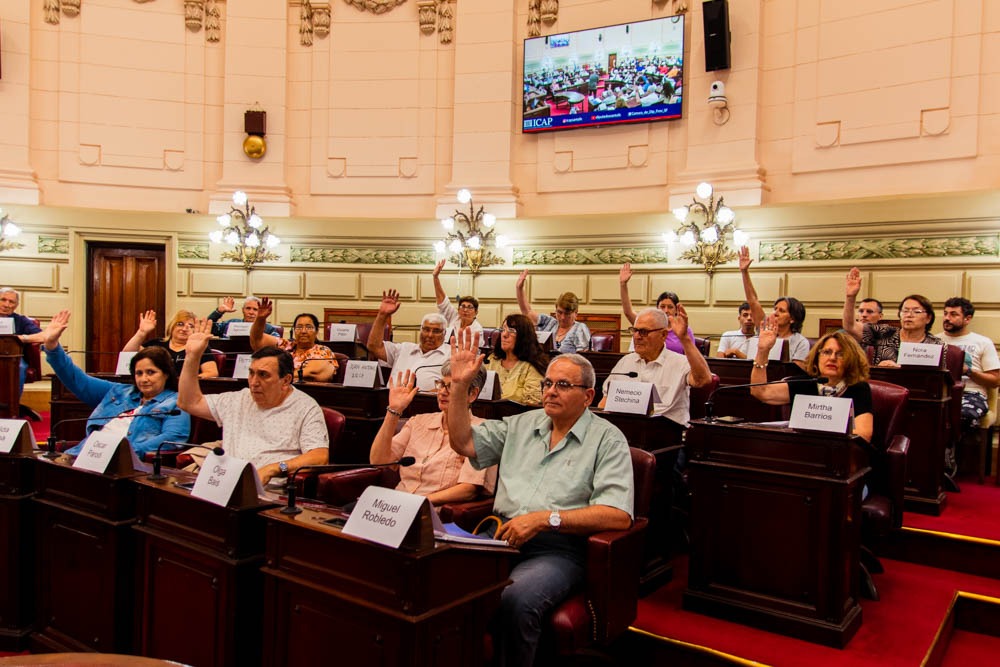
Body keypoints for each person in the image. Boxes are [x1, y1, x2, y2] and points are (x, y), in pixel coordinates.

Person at [446, 332, 633, 667]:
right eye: (548, 383)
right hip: (499, 534)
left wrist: (546, 518)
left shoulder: (608, 439)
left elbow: (618, 515)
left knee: (516, 599)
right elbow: (464, 443)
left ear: (588, 395)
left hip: (557, 548)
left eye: (563, 385)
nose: (550, 391)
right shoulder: (522, 424)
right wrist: (459, 389)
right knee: (445, 581)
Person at [177, 319, 329, 485]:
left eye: (263, 375)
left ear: (285, 380)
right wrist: (192, 357)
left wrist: (274, 468)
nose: (253, 382)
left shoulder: (305, 407)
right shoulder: (239, 398)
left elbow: (319, 456)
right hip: (226, 482)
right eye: (251, 373)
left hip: (269, 490)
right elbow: (188, 403)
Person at [41, 310, 190, 456]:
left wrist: (122, 451)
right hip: (85, 455)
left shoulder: (176, 404)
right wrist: (52, 346)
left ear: (166, 374)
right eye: (139, 373)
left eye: (151, 372)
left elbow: (171, 439)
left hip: (126, 465)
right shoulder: (118, 391)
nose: (144, 379)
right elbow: (76, 379)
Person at [370, 364, 495, 505]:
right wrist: (393, 411)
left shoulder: (484, 432)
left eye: (451, 386)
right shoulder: (418, 421)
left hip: (433, 511)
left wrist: (417, 503)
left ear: (472, 394)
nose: (442, 392)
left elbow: (469, 489)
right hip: (396, 504)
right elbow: (378, 461)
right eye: (441, 384)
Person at [750, 323, 873, 444]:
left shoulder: (858, 388)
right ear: (817, 357)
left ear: (851, 360)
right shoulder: (805, 383)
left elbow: (863, 434)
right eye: (827, 352)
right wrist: (763, 351)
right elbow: (760, 391)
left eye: (840, 354)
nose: (832, 358)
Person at [599, 307, 711, 426]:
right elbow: (605, 402)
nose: (636, 336)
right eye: (635, 330)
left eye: (643, 332)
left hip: (667, 435)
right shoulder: (625, 362)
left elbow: (703, 380)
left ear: (663, 335)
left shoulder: (680, 363)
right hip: (627, 431)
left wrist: (684, 339)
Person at [937, 297, 1000, 474]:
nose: (947, 318)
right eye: (946, 313)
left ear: (967, 319)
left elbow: (995, 380)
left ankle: (946, 456)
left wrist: (968, 371)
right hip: (940, 392)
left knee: (961, 413)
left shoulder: (982, 342)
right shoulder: (934, 341)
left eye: (954, 314)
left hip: (971, 394)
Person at [841, 267, 943, 366]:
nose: (909, 315)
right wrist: (850, 297)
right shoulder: (884, 333)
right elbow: (850, 326)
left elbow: (941, 379)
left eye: (916, 311)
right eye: (905, 310)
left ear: (928, 318)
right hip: (883, 382)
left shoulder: (936, 345)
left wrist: (899, 370)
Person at [739, 247, 810, 368]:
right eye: (775, 309)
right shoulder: (765, 328)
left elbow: (796, 373)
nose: (776, 313)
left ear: (792, 318)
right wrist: (744, 272)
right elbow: (753, 301)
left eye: (781, 311)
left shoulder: (800, 342)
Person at [368, 290, 451, 391]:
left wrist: (413, 397)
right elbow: (374, 347)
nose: (430, 335)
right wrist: (382, 315)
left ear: (444, 334)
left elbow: (455, 386)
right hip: (390, 401)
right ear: (420, 330)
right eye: (426, 329)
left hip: (426, 403)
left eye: (436, 331)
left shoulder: (450, 354)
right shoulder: (403, 348)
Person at [249, 297, 338, 382]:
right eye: (299, 327)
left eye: (309, 327)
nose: (303, 331)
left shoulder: (323, 350)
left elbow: (315, 372)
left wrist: (278, 377)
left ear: (316, 331)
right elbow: (257, 340)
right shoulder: (286, 345)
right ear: (294, 331)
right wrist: (260, 319)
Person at [619, 263, 695, 354]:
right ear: (657, 309)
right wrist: (623, 284)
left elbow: (690, 356)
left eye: (670, 307)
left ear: (676, 310)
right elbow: (628, 312)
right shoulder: (648, 325)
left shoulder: (684, 330)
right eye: (662, 307)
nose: (666, 310)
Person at [123, 309, 219, 378]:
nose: (185, 328)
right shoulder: (157, 344)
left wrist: (186, 381)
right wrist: (141, 332)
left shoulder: (200, 348)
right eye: (180, 324)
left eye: (191, 326)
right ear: (172, 326)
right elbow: (127, 354)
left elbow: (211, 373)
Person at [516, 269, 591, 353]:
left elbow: (583, 358)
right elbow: (527, 312)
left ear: (576, 313)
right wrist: (519, 288)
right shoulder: (549, 322)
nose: (562, 317)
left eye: (567, 314)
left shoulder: (580, 329)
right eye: (559, 312)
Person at [484, 314, 548, 405]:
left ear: (524, 336)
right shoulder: (492, 360)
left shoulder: (532, 367)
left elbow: (531, 405)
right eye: (503, 329)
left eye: (511, 331)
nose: (504, 335)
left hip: (517, 417)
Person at [0, 287, 44, 394]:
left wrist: (22, 338)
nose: (6, 305)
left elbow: (42, 336)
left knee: (19, 367)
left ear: (15, 306)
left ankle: (13, 406)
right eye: (3, 300)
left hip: (13, 357)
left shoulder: (21, 320)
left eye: (11, 302)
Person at [431, 259, 483, 340]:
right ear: (458, 310)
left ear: (476, 312)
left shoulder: (477, 329)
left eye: (470, 307)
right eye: (463, 306)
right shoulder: (455, 317)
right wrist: (435, 277)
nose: (465, 310)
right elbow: (442, 301)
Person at [207, 296, 280, 337]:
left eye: (255, 309)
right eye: (248, 308)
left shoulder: (269, 329)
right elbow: (208, 328)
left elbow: (277, 344)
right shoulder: (230, 324)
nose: (251, 312)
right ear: (243, 310)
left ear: (260, 312)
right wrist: (219, 311)